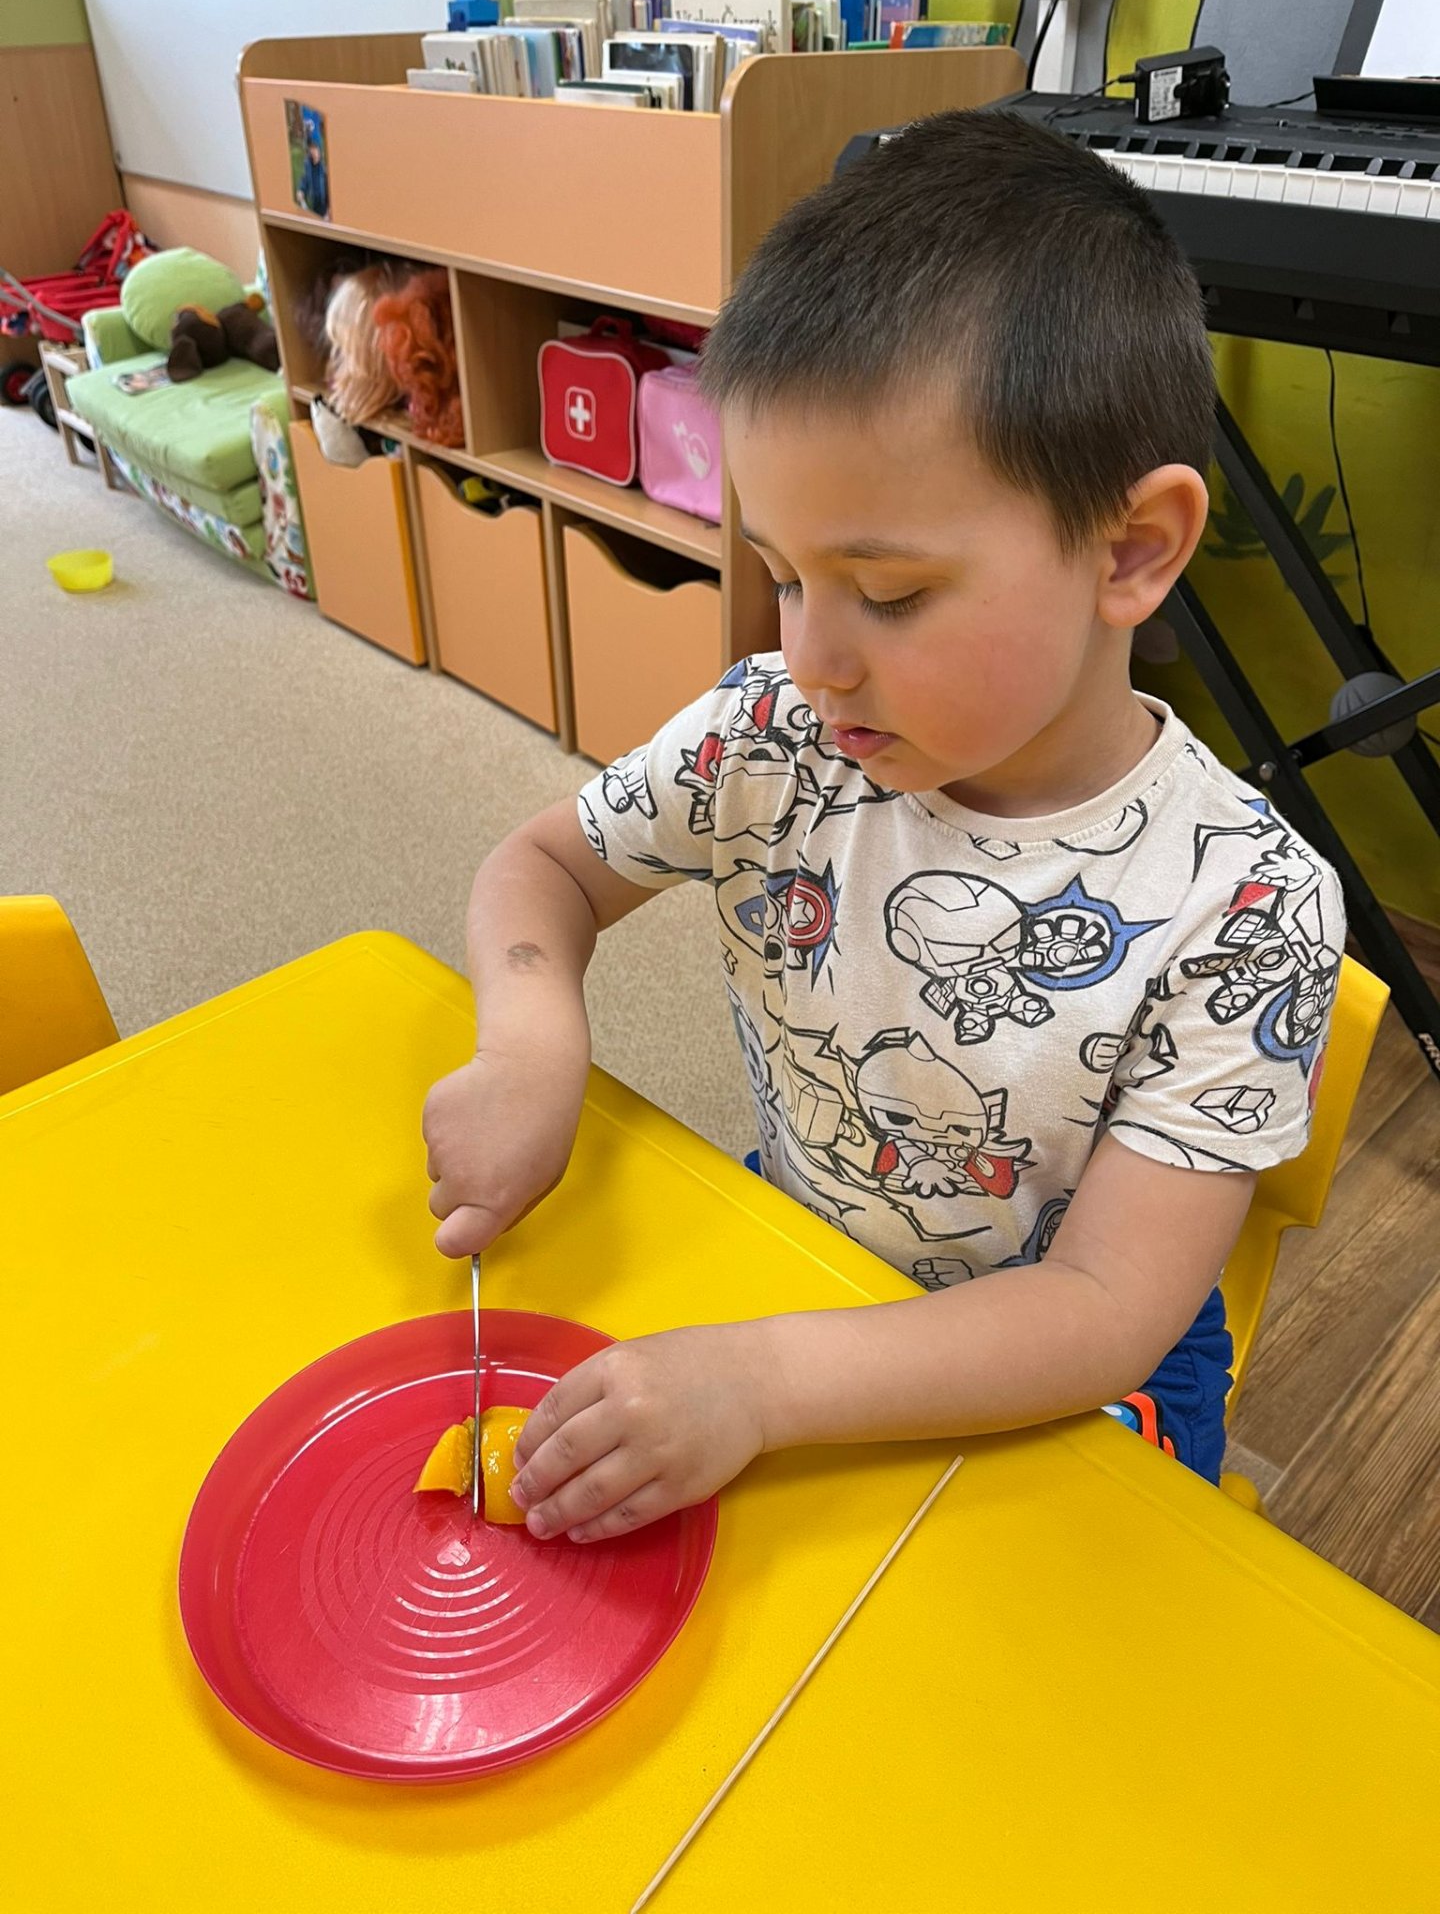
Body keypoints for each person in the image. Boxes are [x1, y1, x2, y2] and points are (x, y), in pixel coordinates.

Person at [422, 109, 1344, 1544]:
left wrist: (758, 1381)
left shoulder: (1246, 906)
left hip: (1069, 1379)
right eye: (785, 575)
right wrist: (529, 1042)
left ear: (1131, 550)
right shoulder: (768, 736)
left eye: (890, 594)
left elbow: (1103, 1305)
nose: (811, 658)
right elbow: (542, 867)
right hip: (800, 1261)